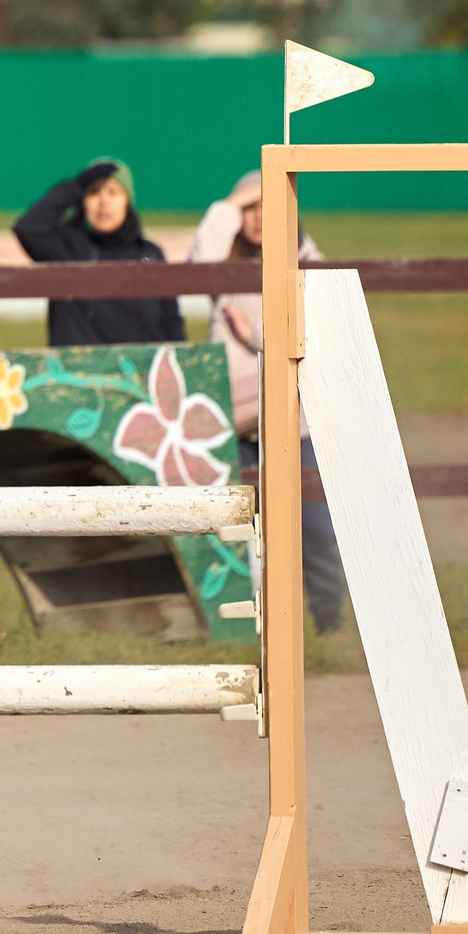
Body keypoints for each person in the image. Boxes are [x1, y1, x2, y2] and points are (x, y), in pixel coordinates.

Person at [193, 170, 345, 633]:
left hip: (296, 424)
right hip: (237, 426)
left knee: (316, 529)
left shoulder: (304, 265)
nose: (258, 217)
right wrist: (234, 201)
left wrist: (253, 338)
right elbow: (202, 255)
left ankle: (329, 623)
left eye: (269, 207)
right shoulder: (224, 270)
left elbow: (314, 334)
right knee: (238, 534)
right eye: (250, 209)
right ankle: (247, 629)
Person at [13, 158, 186, 347]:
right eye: (94, 192)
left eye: (113, 192)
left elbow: (172, 322)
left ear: (127, 201)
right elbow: (28, 229)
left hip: (138, 364)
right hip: (79, 364)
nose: (104, 201)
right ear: (82, 200)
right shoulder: (67, 248)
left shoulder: (149, 254)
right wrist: (75, 187)